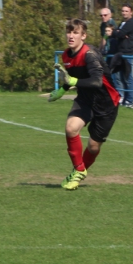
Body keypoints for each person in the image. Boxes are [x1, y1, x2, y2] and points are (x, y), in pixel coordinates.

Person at [48, 19, 120, 190]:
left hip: (106, 102)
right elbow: (73, 78)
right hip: (85, 99)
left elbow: (96, 82)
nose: (71, 36)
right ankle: (79, 170)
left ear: (83, 36)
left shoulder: (90, 55)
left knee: (93, 147)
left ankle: (77, 173)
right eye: (69, 32)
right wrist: (62, 90)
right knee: (70, 128)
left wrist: (72, 81)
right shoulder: (66, 56)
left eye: (75, 32)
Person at [109, 4, 133, 107]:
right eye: (123, 11)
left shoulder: (131, 23)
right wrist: (118, 32)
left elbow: (119, 34)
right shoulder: (123, 23)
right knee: (119, 77)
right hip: (120, 53)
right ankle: (122, 98)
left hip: (128, 54)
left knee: (128, 77)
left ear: (131, 12)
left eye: (126, 11)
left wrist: (117, 33)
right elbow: (118, 34)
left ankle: (130, 100)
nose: (124, 13)